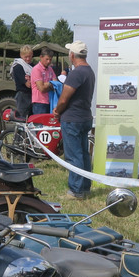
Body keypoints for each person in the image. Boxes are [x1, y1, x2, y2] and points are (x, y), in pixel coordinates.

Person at [51, 41, 95, 199]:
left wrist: (57, 111)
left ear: (72, 55)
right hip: (84, 117)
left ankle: (76, 190)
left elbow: (64, 99)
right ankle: (85, 187)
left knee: (74, 156)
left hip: (72, 119)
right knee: (83, 154)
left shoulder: (76, 73)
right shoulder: (89, 71)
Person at [10, 45, 34, 120]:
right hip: (23, 95)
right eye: (25, 57)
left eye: (29, 56)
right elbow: (28, 84)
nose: (28, 59)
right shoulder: (18, 67)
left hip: (32, 94)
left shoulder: (32, 66)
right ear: (21, 55)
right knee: (22, 117)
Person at [30, 48, 55, 115]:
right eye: (47, 59)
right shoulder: (36, 69)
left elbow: (56, 84)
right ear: (41, 57)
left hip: (49, 101)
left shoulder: (50, 69)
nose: (48, 61)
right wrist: (50, 85)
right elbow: (42, 88)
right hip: (39, 102)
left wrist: (47, 84)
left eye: (50, 59)